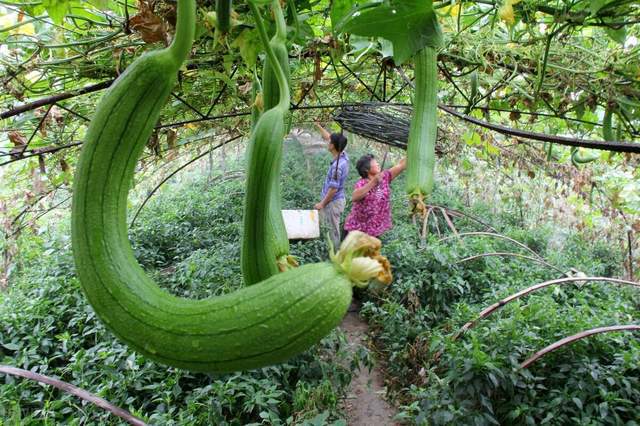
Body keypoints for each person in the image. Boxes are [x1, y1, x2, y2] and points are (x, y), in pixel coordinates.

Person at [344, 154, 406, 238]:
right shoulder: (362, 183)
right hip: (356, 232)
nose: (378, 164)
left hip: (374, 232)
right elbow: (355, 197)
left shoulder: (385, 177)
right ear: (366, 169)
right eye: (375, 162)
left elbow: (401, 165)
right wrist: (373, 182)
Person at [314, 122, 349, 249]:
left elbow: (333, 189)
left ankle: (335, 256)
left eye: (330, 142)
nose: (327, 143)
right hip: (336, 200)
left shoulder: (337, 167)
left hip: (333, 202)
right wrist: (319, 127)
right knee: (328, 228)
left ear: (333, 146)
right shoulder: (343, 155)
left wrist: (321, 204)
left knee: (332, 231)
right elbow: (329, 137)